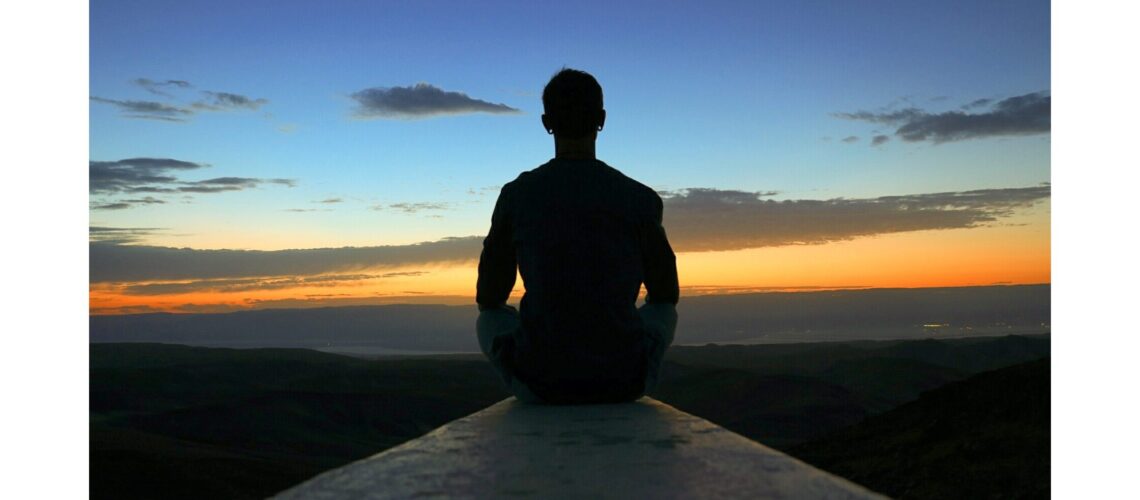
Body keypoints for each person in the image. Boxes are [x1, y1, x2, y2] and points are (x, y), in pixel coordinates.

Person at [475, 68, 679, 404]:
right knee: (661, 311)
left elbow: (489, 297)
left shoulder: (517, 195)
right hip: (625, 381)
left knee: (491, 320)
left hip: (540, 383)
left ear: (546, 123)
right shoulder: (640, 198)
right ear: (601, 119)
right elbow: (665, 294)